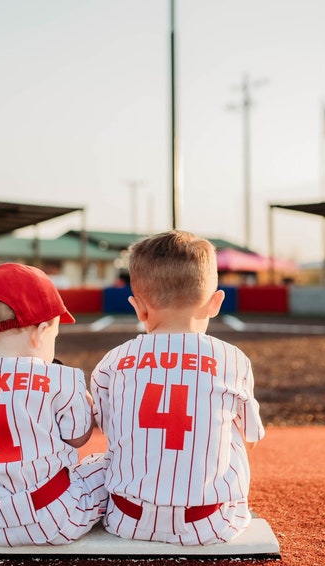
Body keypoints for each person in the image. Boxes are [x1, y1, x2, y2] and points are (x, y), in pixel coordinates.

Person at [91, 230, 265, 545]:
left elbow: (108, 427)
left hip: (127, 519)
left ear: (138, 307)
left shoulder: (113, 361)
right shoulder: (233, 360)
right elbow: (252, 439)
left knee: (105, 455)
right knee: (236, 432)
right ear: (215, 303)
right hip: (210, 523)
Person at [0, 263, 107, 546]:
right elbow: (78, 438)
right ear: (40, 332)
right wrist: (86, 405)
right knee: (103, 466)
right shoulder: (60, 378)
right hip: (56, 519)